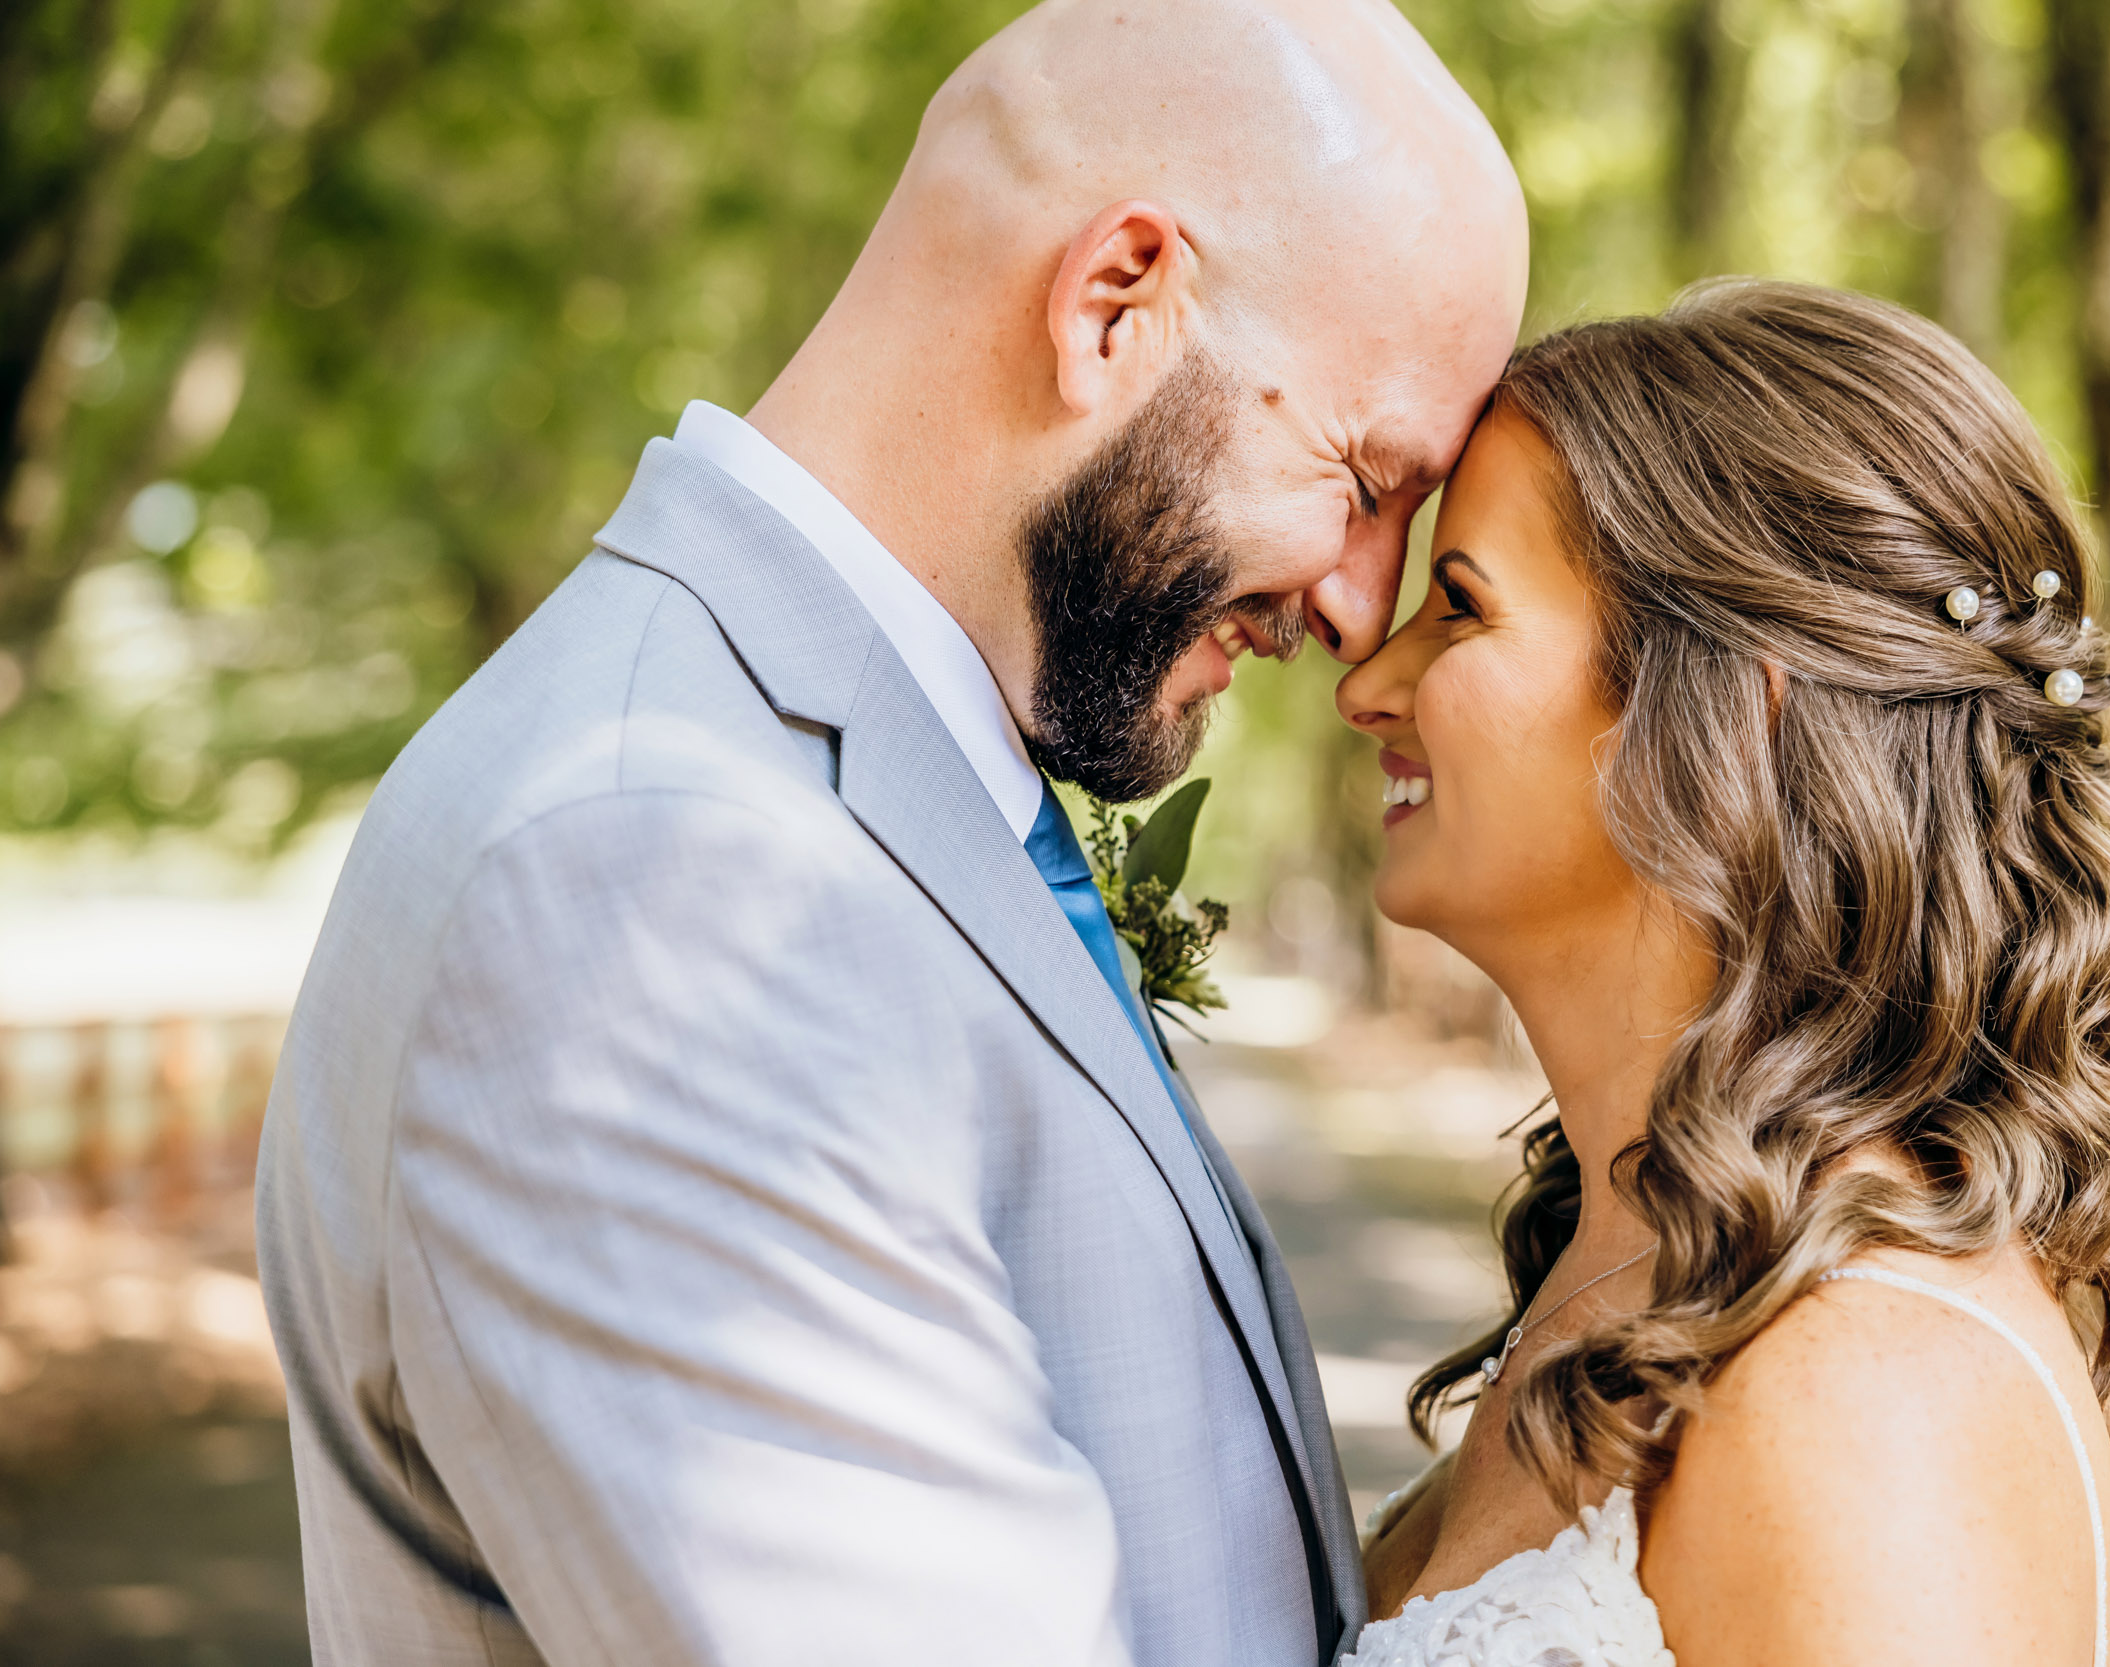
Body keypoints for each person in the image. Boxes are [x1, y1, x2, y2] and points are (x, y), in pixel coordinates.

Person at [252, 0, 1528, 1660]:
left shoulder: (841, 794)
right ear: (1114, 303)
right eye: (1363, 480)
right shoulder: (658, 878)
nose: (1363, 615)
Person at [1337, 281, 2110, 1667]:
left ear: (1730, 711)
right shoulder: (1647, 1273)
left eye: (1459, 606)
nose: (1369, 682)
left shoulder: (1865, 1394)